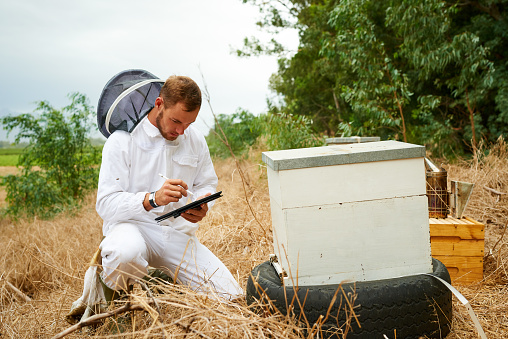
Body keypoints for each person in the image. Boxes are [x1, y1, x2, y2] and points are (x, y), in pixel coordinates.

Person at [96, 75, 243, 301]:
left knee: (231, 296)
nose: (181, 131)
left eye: (189, 124)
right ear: (159, 104)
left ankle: (157, 279)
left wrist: (203, 204)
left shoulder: (194, 139)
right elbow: (106, 204)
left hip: (175, 233)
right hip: (130, 228)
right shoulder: (122, 140)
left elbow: (207, 183)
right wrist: (152, 199)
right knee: (125, 255)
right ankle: (113, 295)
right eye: (176, 121)